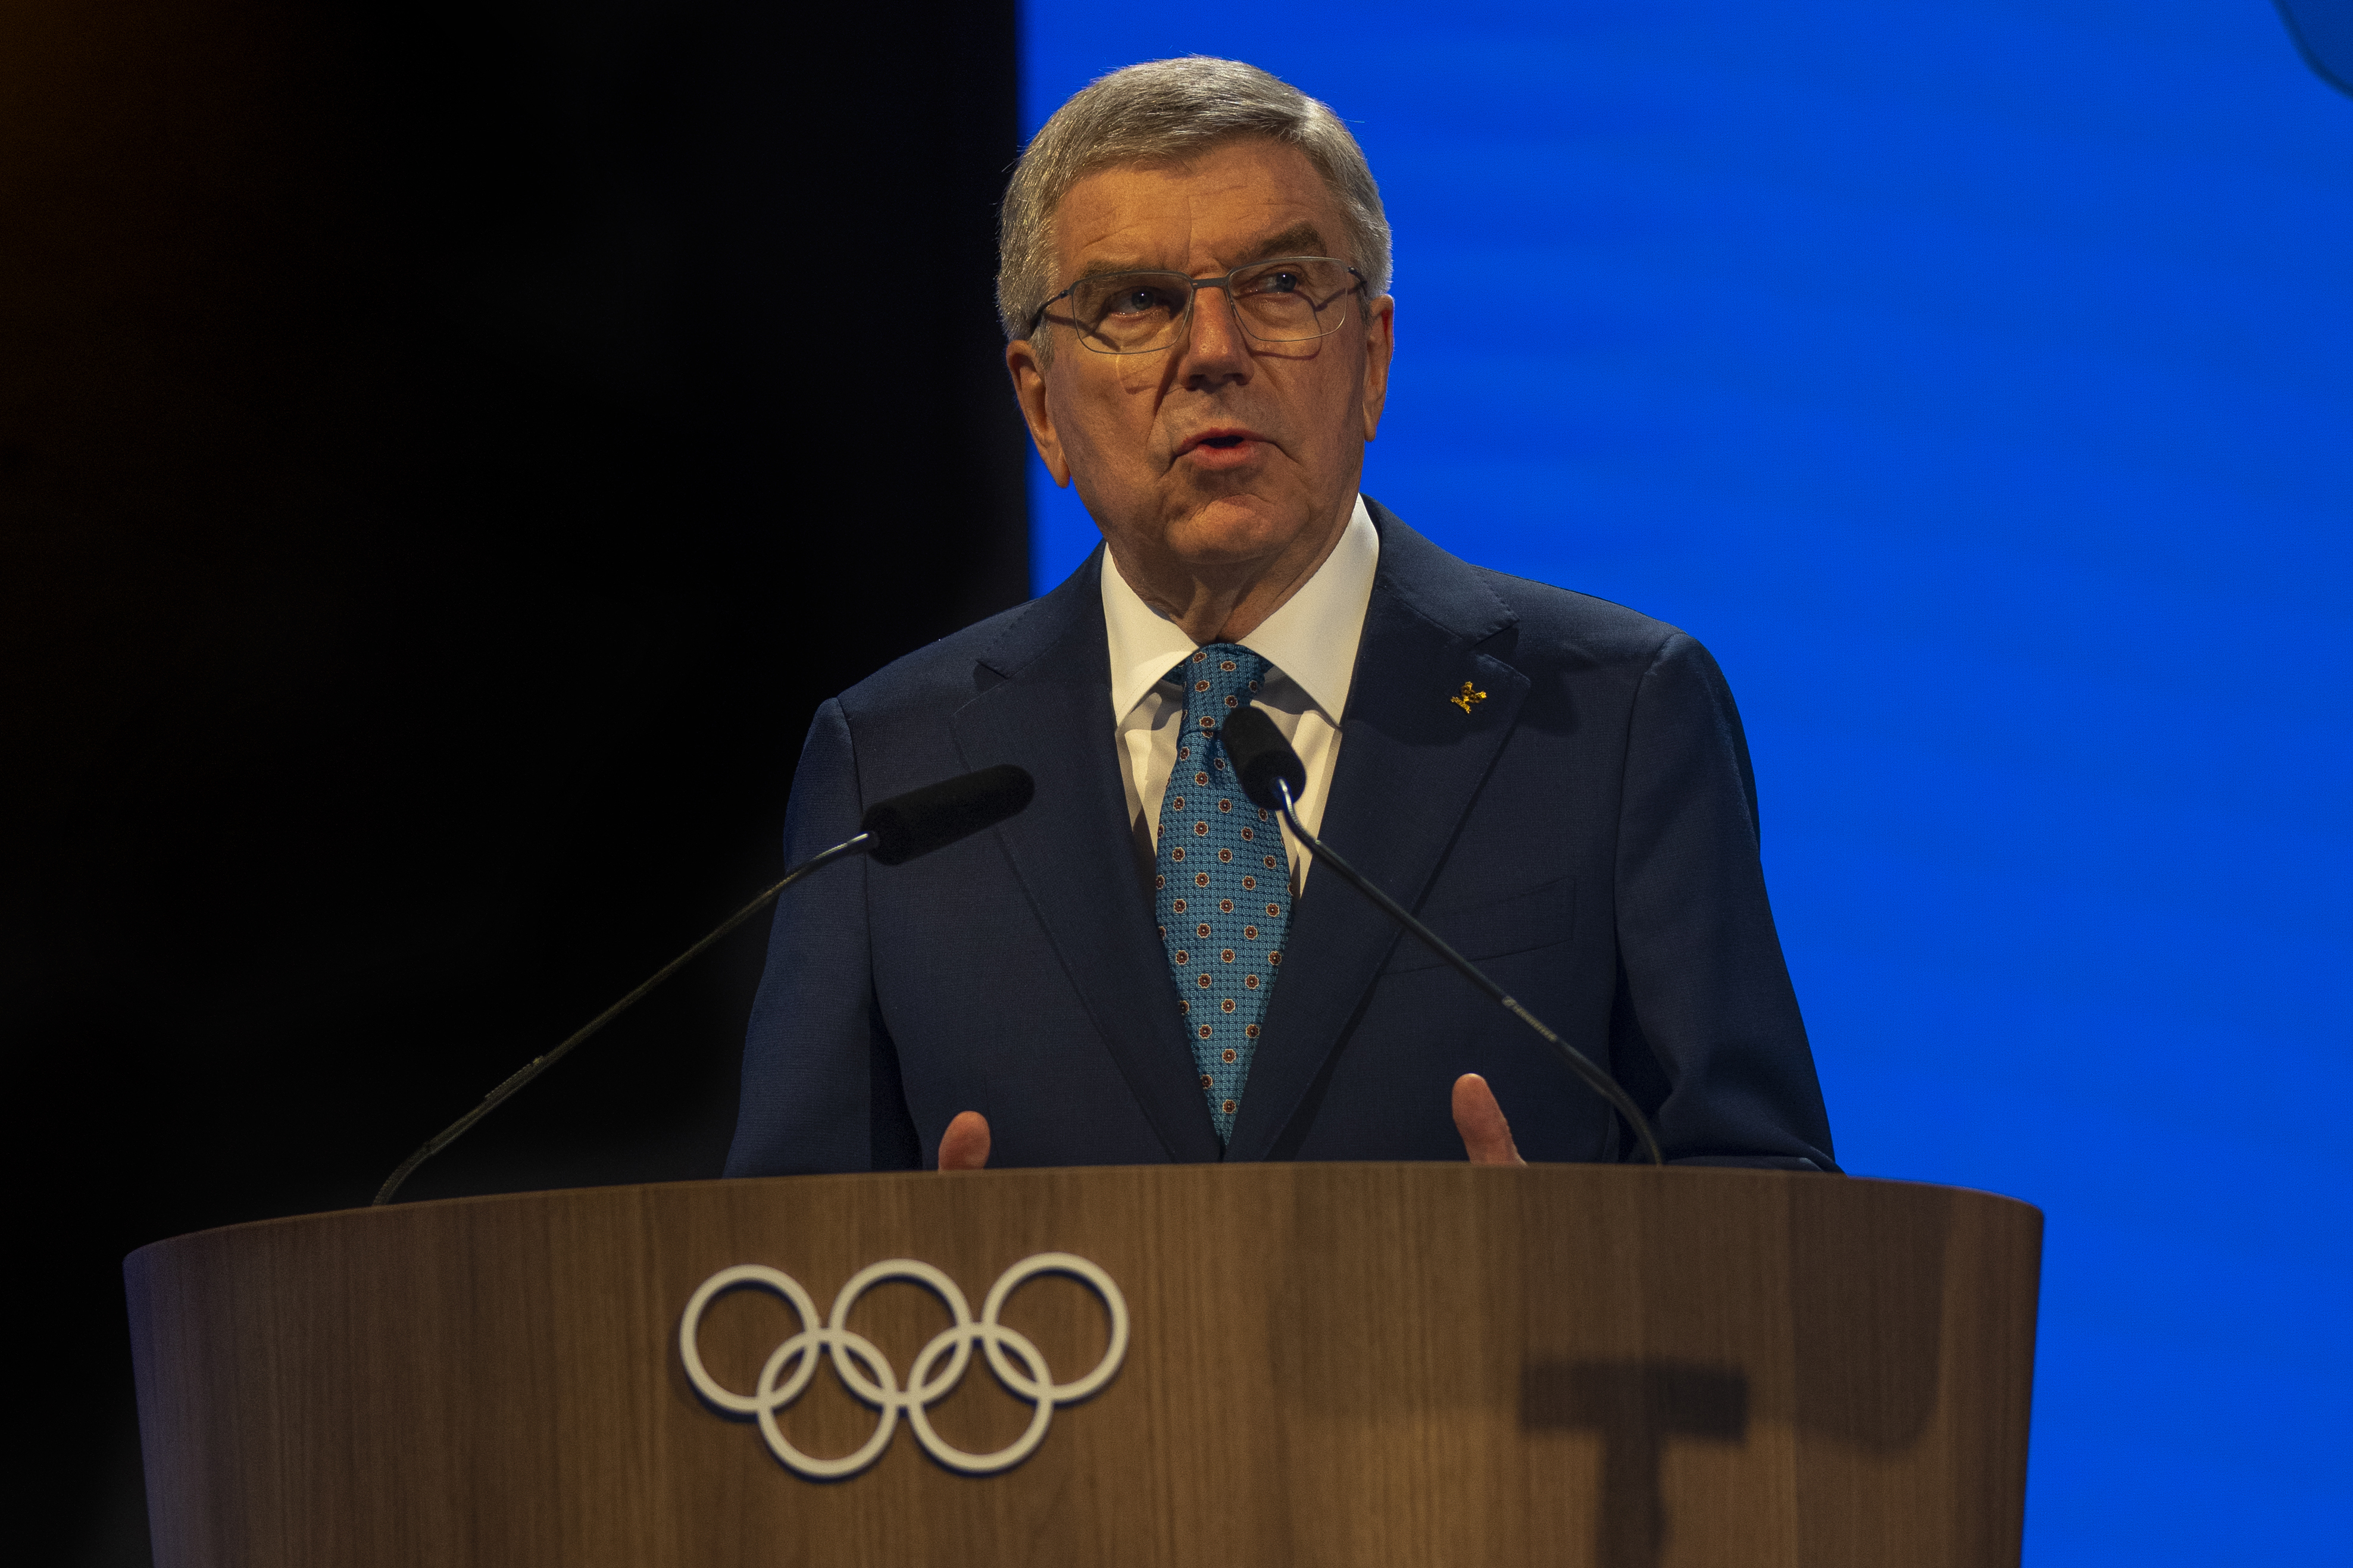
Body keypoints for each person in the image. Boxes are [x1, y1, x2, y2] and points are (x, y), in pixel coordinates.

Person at [724, 58, 1835, 1178]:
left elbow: (1761, 1190)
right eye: (1137, 302)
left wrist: (1565, 1260)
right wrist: (904, 1273)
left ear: (1372, 361)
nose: (1214, 353)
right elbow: (779, 1247)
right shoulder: (894, 770)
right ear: (1041, 403)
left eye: (1280, 285)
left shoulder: (1613, 714)